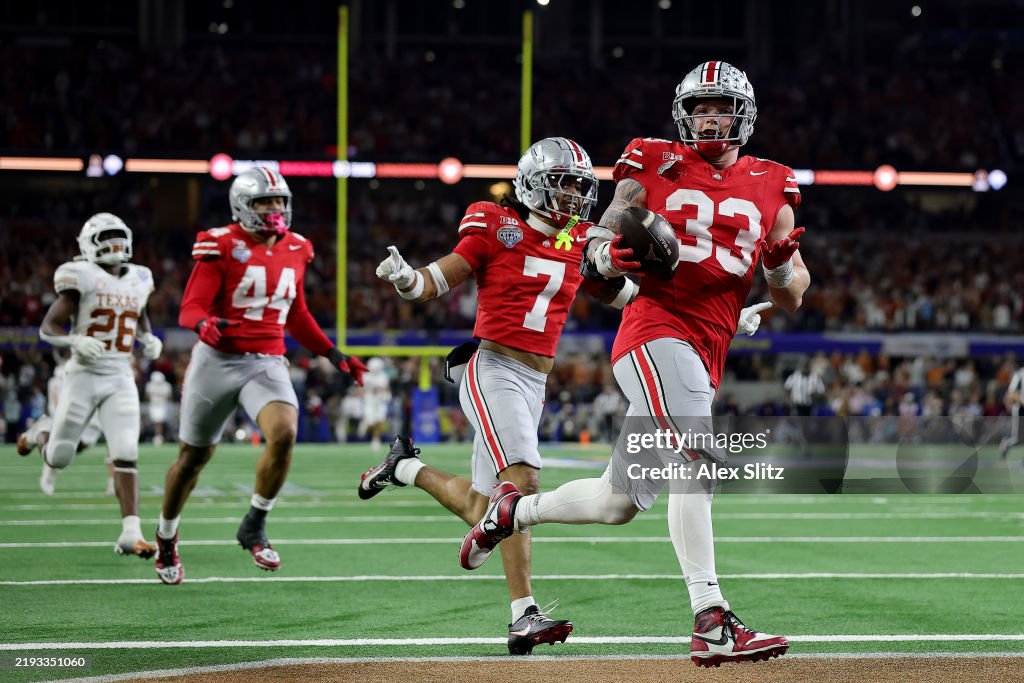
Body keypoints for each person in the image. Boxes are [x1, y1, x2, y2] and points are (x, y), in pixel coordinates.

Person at [460, 61, 810, 668]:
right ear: (683, 112)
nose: (709, 118)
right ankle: (712, 619)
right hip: (656, 329)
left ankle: (511, 511)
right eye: (699, 107)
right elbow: (607, 224)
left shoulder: (774, 182)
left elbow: (792, 292)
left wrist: (780, 267)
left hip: (709, 342)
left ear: (744, 114)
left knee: (618, 502)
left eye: (719, 107)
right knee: (696, 454)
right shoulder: (650, 159)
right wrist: (604, 251)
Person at [360, 137, 640, 655]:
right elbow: (434, 281)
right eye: (564, 183)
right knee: (523, 483)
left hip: (534, 382)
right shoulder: (494, 224)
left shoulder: (575, 240)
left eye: (582, 186)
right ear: (533, 183)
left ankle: (401, 469)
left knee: (483, 505)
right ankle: (523, 615)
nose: (575, 196)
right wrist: (404, 279)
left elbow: (625, 296)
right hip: (493, 367)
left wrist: (707, 313)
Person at [154, 166, 368, 585]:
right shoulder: (221, 244)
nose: (274, 210)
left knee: (285, 431)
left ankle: (254, 522)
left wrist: (333, 354)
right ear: (242, 207)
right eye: (264, 202)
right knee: (192, 458)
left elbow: (298, 314)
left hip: (266, 361)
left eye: (279, 201)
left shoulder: (299, 247)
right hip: (216, 361)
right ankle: (166, 534)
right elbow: (190, 307)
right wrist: (203, 326)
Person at [19, 213, 163, 557]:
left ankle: (131, 532)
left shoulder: (140, 278)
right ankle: (40, 432)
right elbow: (48, 327)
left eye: (118, 236)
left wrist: (147, 337)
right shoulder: (80, 276)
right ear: (88, 245)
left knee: (127, 452)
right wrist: (75, 341)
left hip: (119, 375)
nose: (114, 244)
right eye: (106, 238)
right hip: (83, 374)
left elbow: (139, 315)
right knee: (59, 456)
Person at [17, 357, 113, 496]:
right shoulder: (62, 377)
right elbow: (58, 400)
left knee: (78, 447)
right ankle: (40, 435)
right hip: (70, 414)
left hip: (89, 412)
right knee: (63, 452)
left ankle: (113, 483)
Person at [360, 357, 392, 451]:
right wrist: (365, 397)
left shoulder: (383, 376)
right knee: (370, 422)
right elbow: (361, 390)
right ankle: (364, 424)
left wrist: (386, 396)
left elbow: (386, 390)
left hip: (380, 402)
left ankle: (375, 440)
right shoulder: (365, 376)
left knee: (379, 421)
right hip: (369, 401)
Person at [998, 364, 1024, 461]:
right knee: (1018, 439)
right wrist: (1022, 401)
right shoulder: (1020, 374)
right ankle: (1006, 443)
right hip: (1020, 409)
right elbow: (1011, 393)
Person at [145, 370, 173, 445]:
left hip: (163, 405)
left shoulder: (166, 385)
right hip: (154, 405)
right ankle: (158, 437)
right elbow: (147, 396)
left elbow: (169, 396)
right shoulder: (150, 385)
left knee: (162, 422)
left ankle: (163, 437)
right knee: (156, 422)